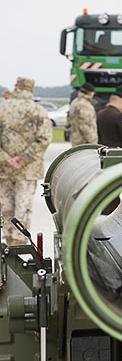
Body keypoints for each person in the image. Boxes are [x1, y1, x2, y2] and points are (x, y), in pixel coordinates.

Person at [0, 77, 52, 245]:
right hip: (27, 170)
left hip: (4, 169)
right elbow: (44, 139)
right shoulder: (38, 111)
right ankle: (19, 244)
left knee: (6, 207)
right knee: (22, 208)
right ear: (31, 90)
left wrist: (6, 158)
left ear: (16, 88)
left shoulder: (2, 107)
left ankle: (7, 243)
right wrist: (23, 159)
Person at [96, 86, 122, 152]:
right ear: (120, 101)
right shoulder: (120, 116)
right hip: (119, 151)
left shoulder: (100, 113)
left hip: (105, 150)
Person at [68, 82, 98, 146]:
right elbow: (84, 125)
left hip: (75, 139)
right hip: (84, 141)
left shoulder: (75, 101)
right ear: (90, 93)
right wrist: (92, 140)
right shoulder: (84, 105)